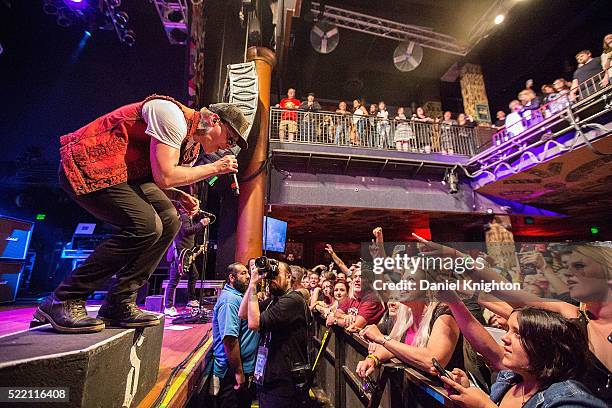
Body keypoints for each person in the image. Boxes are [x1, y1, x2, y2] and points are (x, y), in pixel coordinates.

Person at [35, 95, 246, 333]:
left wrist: (178, 196)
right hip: (92, 164)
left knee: (169, 219)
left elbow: (162, 179)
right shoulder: (172, 115)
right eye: (230, 138)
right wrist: (216, 168)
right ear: (214, 120)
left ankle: (120, 301)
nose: (228, 146)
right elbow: (165, 176)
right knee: (145, 224)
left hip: (125, 177)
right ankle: (64, 298)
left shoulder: (192, 146)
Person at [430, 304, 606, 408]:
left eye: (518, 334)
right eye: (508, 330)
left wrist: (485, 406)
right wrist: (467, 392)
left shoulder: (568, 400)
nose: (505, 338)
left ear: (545, 345)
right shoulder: (508, 380)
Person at [239, 261, 310, 407]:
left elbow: (254, 324)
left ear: (289, 277)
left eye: (275, 274)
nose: (271, 279)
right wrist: (253, 283)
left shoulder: (293, 300)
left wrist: (252, 284)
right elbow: (243, 313)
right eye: (270, 275)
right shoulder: (275, 300)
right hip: (268, 377)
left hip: (284, 383)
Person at [212, 263, 259, 408]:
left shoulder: (238, 296)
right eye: (243, 273)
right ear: (232, 278)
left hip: (243, 368)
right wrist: (238, 372)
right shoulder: (230, 301)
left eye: (248, 273)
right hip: (232, 373)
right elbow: (230, 340)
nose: (248, 276)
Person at [163, 201, 210, 317]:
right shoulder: (183, 216)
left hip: (186, 254)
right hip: (179, 254)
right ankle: (168, 307)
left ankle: (191, 299)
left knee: (194, 275)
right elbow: (186, 231)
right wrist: (201, 224)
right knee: (174, 280)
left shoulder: (187, 218)